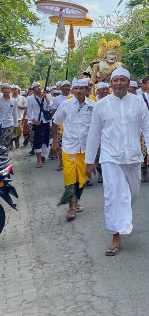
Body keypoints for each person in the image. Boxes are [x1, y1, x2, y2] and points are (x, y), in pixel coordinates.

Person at [85, 68, 149, 256]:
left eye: (122, 80)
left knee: (132, 193)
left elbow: (148, 128)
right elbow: (94, 133)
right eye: (115, 80)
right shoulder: (101, 105)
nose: (118, 83)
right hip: (110, 157)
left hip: (133, 156)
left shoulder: (138, 102)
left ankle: (122, 220)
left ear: (128, 82)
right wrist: (90, 160)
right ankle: (115, 235)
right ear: (111, 83)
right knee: (113, 194)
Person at [52, 78, 94, 221]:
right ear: (72, 90)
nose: (78, 91)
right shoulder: (66, 104)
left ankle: (76, 201)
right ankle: (71, 207)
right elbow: (55, 122)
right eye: (75, 88)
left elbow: (97, 127)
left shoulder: (93, 105)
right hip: (69, 148)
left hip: (85, 149)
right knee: (70, 176)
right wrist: (55, 142)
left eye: (81, 88)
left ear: (86, 89)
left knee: (81, 178)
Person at [26, 83, 51, 168]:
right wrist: (33, 120)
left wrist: (46, 97)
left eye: (39, 86)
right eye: (36, 87)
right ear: (33, 89)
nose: (38, 88)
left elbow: (50, 106)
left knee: (46, 139)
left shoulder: (46, 96)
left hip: (46, 121)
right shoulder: (30, 99)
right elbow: (29, 111)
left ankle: (43, 156)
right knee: (38, 140)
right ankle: (38, 160)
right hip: (37, 121)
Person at [51, 80, 71, 166]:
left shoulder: (74, 98)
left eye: (68, 86)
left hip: (70, 125)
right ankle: (61, 162)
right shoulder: (56, 99)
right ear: (61, 88)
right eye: (65, 86)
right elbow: (54, 114)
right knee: (61, 144)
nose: (67, 87)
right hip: (60, 125)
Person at [0, 84, 18, 155]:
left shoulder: (13, 101)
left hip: (8, 125)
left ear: (10, 90)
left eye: (8, 88)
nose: (6, 90)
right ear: (1, 89)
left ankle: (4, 161)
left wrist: (15, 125)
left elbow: (15, 113)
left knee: (5, 144)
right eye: (4, 88)